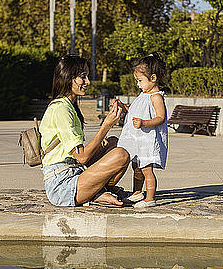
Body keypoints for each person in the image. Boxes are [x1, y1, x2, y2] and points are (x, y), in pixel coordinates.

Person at [39, 55, 130, 207]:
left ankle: (99, 193)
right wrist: (106, 125)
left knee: (113, 143)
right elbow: (81, 157)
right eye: (83, 77)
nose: (87, 82)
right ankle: (99, 193)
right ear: (68, 78)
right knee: (120, 155)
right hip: (62, 184)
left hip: (75, 171)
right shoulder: (61, 109)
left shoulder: (69, 106)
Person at [117, 51, 168, 208]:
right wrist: (124, 107)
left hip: (147, 140)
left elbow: (161, 117)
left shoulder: (156, 97)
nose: (138, 84)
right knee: (136, 167)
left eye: (140, 80)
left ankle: (150, 198)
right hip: (137, 139)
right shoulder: (143, 95)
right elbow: (135, 110)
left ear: (153, 78)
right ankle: (137, 193)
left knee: (146, 169)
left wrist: (144, 123)